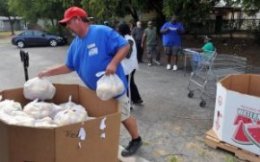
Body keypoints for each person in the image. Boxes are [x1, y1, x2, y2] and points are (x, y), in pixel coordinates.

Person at [38, 6, 142, 157]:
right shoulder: (75, 44)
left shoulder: (101, 32)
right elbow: (69, 66)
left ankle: (136, 139)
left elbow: (124, 46)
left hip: (113, 88)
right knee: (104, 118)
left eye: (68, 22)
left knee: (123, 115)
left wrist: (113, 63)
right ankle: (106, 141)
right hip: (96, 92)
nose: (67, 27)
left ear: (78, 19)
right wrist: (48, 73)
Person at [117, 23, 143, 106]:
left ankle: (129, 104)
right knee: (130, 83)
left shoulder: (128, 40)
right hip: (126, 66)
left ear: (122, 31)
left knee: (127, 84)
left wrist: (118, 52)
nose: (117, 31)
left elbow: (127, 55)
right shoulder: (125, 38)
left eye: (118, 30)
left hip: (129, 67)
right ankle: (137, 99)